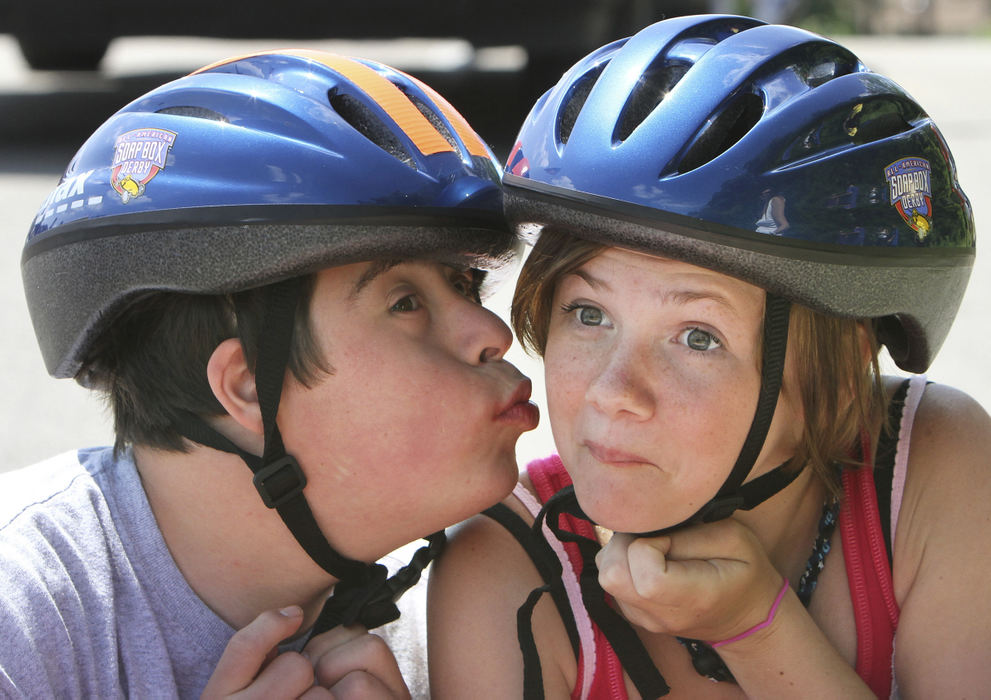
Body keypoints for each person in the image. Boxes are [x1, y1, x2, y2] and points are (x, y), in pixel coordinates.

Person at [428, 15, 990, 698]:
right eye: (587, 313)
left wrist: (756, 628)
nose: (611, 392)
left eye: (697, 337)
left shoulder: (927, 468)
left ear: (836, 383)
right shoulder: (507, 569)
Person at [3, 49, 539, 698]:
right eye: (405, 303)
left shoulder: (485, 594)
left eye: (464, 286)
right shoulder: (25, 615)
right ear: (249, 383)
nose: (492, 333)